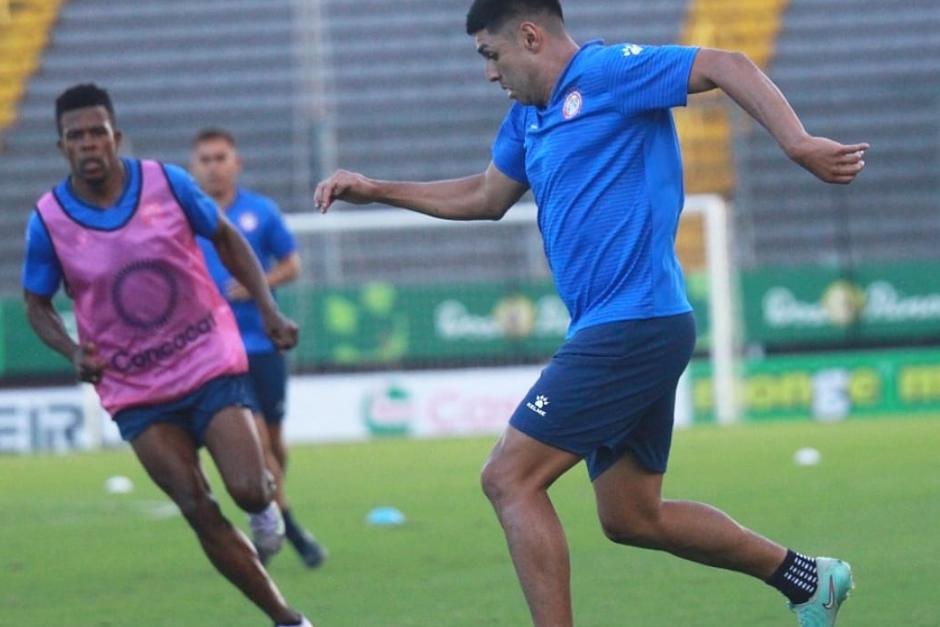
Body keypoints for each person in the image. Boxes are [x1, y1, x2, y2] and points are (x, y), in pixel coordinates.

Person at [314, 1, 869, 625]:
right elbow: (485, 195)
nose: (490, 75)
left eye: (491, 56)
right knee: (631, 516)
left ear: (529, 36)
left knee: (509, 478)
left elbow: (726, 62)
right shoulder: (527, 119)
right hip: (624, 326)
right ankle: (806, 578)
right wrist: (377, 189)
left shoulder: (609, 72)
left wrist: (795, 142)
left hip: (632, 323)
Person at [23, 83, 314, 627]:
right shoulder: (49, 220)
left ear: (116, 136)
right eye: (76, 136)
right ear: (62, 146)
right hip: (134, 387)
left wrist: (269, 309)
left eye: (97, 132)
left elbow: (226, 237)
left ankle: (264, 507)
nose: (89, 144)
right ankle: (285, 617)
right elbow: (35, 302)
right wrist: (70, 351)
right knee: (196, 506)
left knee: (250, 489)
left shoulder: (166, 183)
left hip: (207, 360)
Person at [190, 127, 327, 568]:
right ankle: (288, 528)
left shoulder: (260, 212)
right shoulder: (186, 217)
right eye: (205, 159)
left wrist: (258, 284)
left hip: (263, 345)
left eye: (220, 157)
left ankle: (273, 513)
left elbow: (292, 264)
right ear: (195, 167)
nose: (213, 166)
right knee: (260, 447)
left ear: (236, 163)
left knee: (275, 443)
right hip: (217, 351)